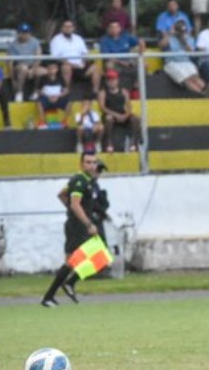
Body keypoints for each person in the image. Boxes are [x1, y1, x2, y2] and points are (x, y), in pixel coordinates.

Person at [41, 151, 99, 307]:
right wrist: (88, 223)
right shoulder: (80, 180)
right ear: (81, 164)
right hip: (77, 226)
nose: (92, 165)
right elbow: (75, 203)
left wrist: (71, 210)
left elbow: (61, 194)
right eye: (88, 162)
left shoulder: (83, 180)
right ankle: (66, 285)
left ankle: (52, 294)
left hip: (76, 224)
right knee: (96, 256)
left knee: (81, 259)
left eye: (94, 162)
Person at [57, 158, 111, 301]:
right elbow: (66, 197)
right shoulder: (81, 181)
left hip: (86, 223)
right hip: (79, 225)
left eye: (100, 170)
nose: (98, 172)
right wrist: (74, 212)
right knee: (74, 257)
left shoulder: (94, 185)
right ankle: (61, 287)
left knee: (98, 254)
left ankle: (67, 284)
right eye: (97, 169)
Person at [49, 19, 99, 99]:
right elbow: (55, 57)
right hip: (66, 66)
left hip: (80, 66)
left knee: (95, 67)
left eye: (70, 26)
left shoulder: (78, 38)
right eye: (66, 26)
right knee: (66, 67)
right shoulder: (56, 40)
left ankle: (95, 92)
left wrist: (84, 62)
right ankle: (66, 91)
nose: (68, 28)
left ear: (73, 28)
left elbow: (85, 53)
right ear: (62, 28)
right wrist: (71, 64)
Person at [161, 20, 209, 96]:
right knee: (187, 80)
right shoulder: (170, 38)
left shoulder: (189, 39)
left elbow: (191, 51)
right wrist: (169, 34)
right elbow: (162, 45)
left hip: (186, 62)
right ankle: (201, 94)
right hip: (173, 63)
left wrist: (183, 40)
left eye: (183, 30)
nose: (182, 32)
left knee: (195, 77)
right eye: (180, 30)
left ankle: (207, 90)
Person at [98, 69, 141, 152]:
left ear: (117, 80)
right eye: (109, 80)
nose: (111, 82)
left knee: (136, 119)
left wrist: (126, 115)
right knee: (108, 119)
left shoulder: (124, 91)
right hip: (110, 113)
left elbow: (129, 106)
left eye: (113, 79)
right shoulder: (103, 92)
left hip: (122, 113)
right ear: (106, 82)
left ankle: (133, 142)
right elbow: (102, 107)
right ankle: (109, 142)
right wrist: (116, 115)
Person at [98, 20, 145, 96]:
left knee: (143, 65)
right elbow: (107, 57)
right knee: (109, 65)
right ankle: (114, 90)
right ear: (108, 29)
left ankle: (135, 89)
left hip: (128, 61)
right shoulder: (104, 40)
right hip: (116, 63)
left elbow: (141, 42)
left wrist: (140, 54)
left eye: (116, 27)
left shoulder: (126, 36)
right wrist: (122, 62)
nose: (114, 29)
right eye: (111, 27)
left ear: (120, 29)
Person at [7, 22, 43, 102]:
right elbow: (10, 62)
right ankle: (19, 92)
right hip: (19, 66)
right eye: (22, 33)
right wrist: (12, 78)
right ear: (18, 33)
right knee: (23, 68)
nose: (25, 35)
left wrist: (33, 69)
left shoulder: (35, 42)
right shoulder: (13, 44)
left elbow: (38, 56)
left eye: (27, 33)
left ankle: (36, 92)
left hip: (32, 65)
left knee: (42, 72)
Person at [36, 61, 71, 129]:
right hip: (47, 98)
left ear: (57, 69)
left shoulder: (60, 78)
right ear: (47, 69)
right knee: (39, 102)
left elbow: (67, 90)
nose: (52, 70)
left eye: (53, 68)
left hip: (58, 98)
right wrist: (47, 96)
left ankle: (65, 121)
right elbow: (38, 90)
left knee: (69, 102)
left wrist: (58, 96)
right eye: (50, 68)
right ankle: (42, 122)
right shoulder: (43, 78)